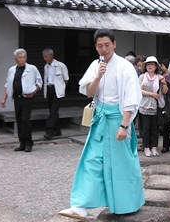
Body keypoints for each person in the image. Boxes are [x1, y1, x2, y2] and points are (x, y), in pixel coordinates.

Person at [59, 29, 144, 219]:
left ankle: (128, 203)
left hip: (117, 118)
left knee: (121, 163)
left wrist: (124, 125)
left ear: (114, 44)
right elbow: (89, 92)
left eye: (107, 45)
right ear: (95, 47)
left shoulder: (125, 66)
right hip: (100, 118)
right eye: (99, 46)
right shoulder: (95, 65)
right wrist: (98, 76)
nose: (103, 49)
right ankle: (81, 205)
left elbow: (131, 97)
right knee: (91, 160)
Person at [0, 48, 42, 153]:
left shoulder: (32, 68)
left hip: (27, 98)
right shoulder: (12, 70)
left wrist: (34, 91)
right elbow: (8, 85)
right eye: (20, 58)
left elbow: (39, 82)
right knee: (19, 120)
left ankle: (28, 143)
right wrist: (3, 99)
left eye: (24, 57)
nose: (23, 60)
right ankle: (22, 143)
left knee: (25, 120)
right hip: (16, 98)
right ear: (16, 59)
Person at [138, 56, 168, 157]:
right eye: (148, 64)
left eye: (152, 64)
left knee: (155, 129)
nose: (150, 66)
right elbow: (138, 91)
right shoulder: (142, 77)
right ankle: (146, 147)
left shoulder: (159, 77)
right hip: (144, 106)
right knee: (146, 129)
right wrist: (152, 94)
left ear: (156, 66)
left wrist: (164, 84)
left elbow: (164, 92)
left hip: (156, 106)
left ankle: (154, 147)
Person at [42, 48, 69, 140]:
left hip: (57, 90)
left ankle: (49, 131)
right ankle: (57, 131)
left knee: (53, 111)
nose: (45, 59)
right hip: (49, 89)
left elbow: (66, 79)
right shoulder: (46, 67)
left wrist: (62, 88)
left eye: (46, 56)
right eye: (44, 57)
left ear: (51, 56)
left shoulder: (61, 65)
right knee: (53, 111)